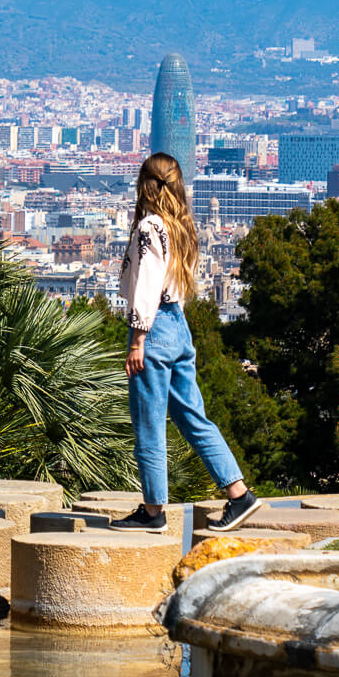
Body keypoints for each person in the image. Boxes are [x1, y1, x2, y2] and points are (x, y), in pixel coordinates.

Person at [110, 152, 261, 533]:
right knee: (193, 417)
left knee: (149, 424)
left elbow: (147, 287)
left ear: (146, 185)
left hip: (154, 328)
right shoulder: (182, 226)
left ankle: (153, 511)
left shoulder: (150, 227)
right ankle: (239, 494)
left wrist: (137, 341)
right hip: (179, 325)